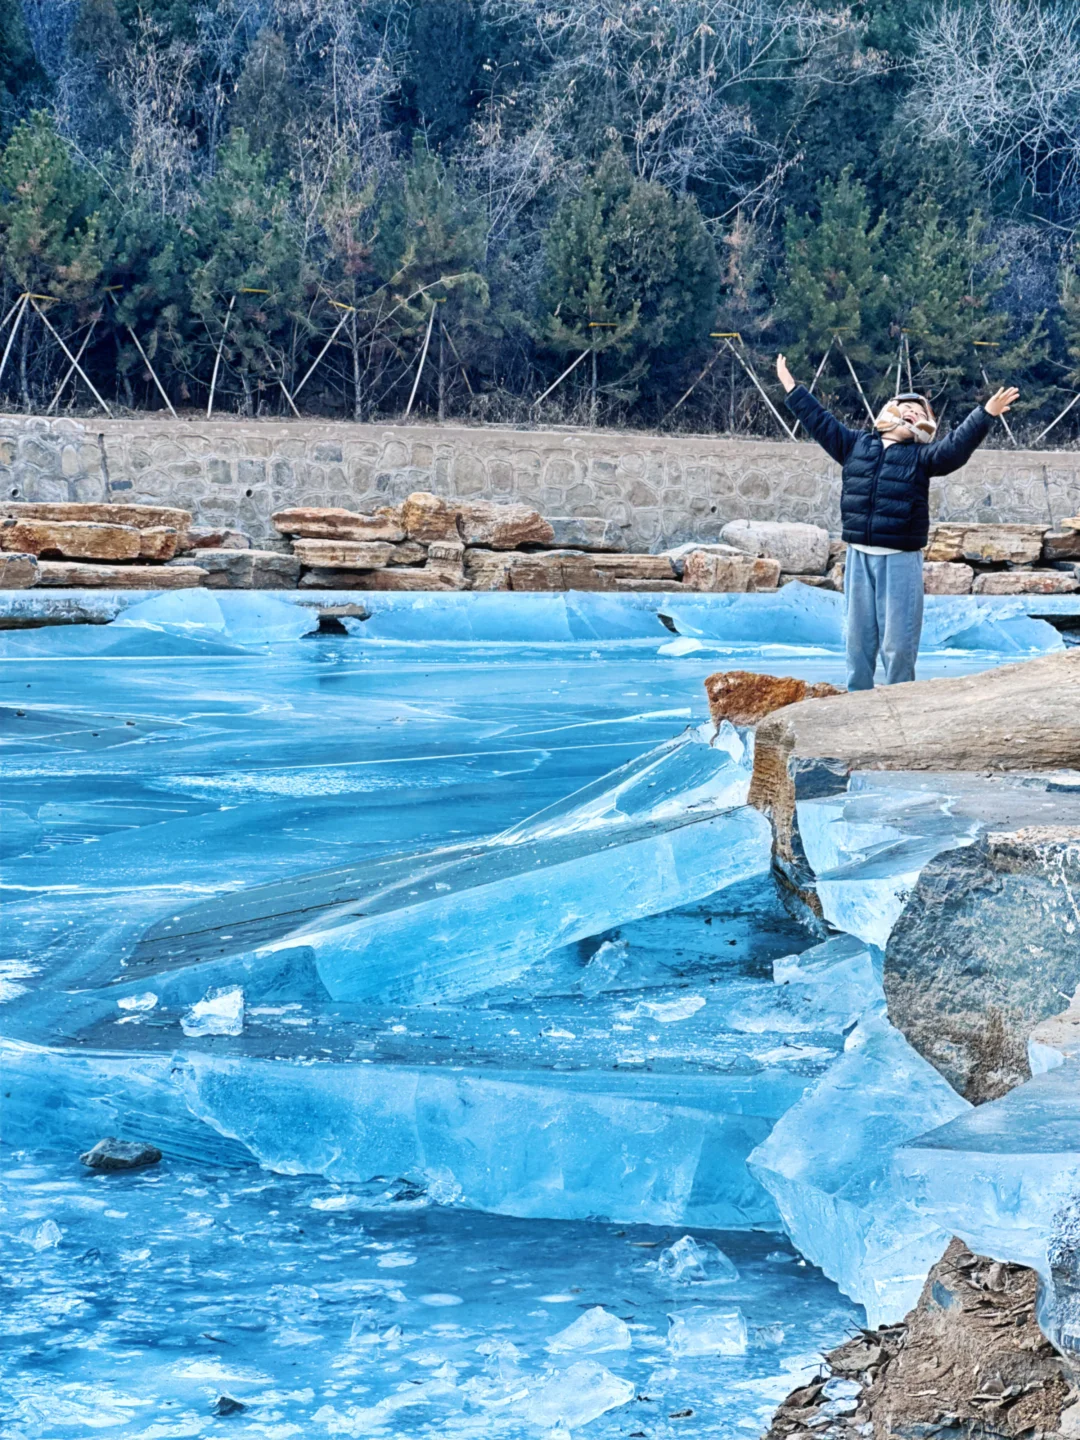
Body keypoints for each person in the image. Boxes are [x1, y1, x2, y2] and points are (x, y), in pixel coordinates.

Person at [775, 354, 1018, 690]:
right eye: (906, 408)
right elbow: (819, 421)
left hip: (900, 558)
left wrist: (985, 415)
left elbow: (955, 449)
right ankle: (857, 701)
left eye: (919, 413)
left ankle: (900, 703)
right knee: (858, 641)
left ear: (925, 428)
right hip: (858, 555)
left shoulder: (922, 457)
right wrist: (791, 386)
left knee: (898, 643)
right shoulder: (855, 444)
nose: (912, 412)